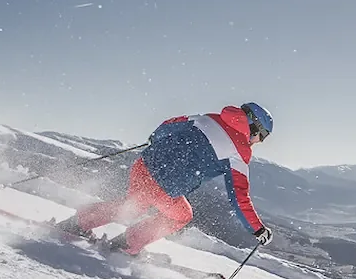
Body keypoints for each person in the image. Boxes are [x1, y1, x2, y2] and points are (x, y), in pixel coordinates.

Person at [55, 102, 274, 256]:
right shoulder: (240, 153)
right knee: (181, 215)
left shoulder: (208, 118)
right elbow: (239, 197)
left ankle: (78, 222)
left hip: (144, 165)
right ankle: (127, 244)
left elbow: (170, 124)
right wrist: (257, 229)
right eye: (261, 136)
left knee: (133, 206)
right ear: (254, 126)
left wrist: (155, 140)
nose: (258, 142)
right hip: (165, 187)